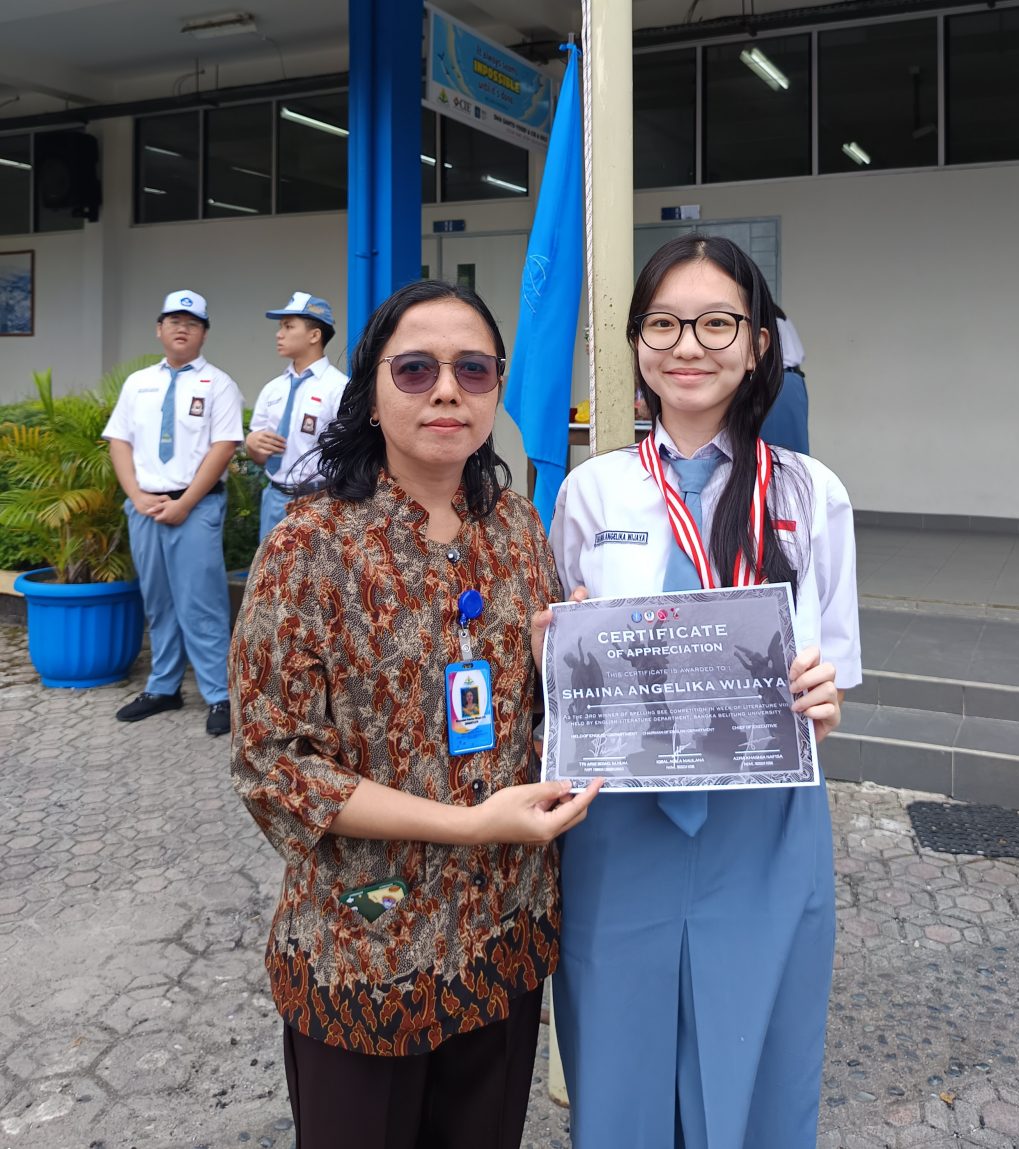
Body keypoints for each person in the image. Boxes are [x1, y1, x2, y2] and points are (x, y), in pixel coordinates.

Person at [229, 280, 602, 1149]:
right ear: (370, 390)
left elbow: (542, 710)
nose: (446, 390)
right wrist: (471, 825)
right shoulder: (309, 544)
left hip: (502, 935)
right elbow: (274, 765)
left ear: (498, 387)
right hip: (367, 944)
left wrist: (583, 662)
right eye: (416, 368)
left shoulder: (515, 529)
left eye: (473, 369)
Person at [549, 235, 861, 1149]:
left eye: (717, 321)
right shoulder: (590, 492)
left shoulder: (811, 493)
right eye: (664, 323)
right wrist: (555, 656)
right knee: (617, 1065)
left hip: (764, 823)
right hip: (619, 819)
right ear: (639, 345)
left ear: (759, 341)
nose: (690, 344)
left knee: (757, 1059)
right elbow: (570, 662)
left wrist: (824, 701)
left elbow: (832, 671)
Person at [103, 289, 244, 737]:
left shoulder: (218, 383)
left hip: (195, 505)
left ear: (203, 333)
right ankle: (163, 687)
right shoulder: (137, 383)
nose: (181, 328)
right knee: (159, 600)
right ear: (159, 329)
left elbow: (224, 447)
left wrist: (185, 503)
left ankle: (220, 694)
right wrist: (137, 497)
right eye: (173, 320)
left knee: (202, 601)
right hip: (144, 505)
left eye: (192, 322)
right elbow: (119, 441)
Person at [245, 291, 348, 541]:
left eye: (289, 326)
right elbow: (257, 453)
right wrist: (252, 444)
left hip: (319, 500)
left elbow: (350, 453)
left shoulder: (340, 388)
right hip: (274, 498)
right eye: (281, 327)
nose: (279, 334)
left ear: (315, 335)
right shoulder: (273, 388)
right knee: (269, 576)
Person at [760, 306, 810, 454]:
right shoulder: (773, 310)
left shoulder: (763, 310)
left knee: (780, 454)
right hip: (789, 379)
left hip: (777, 381)